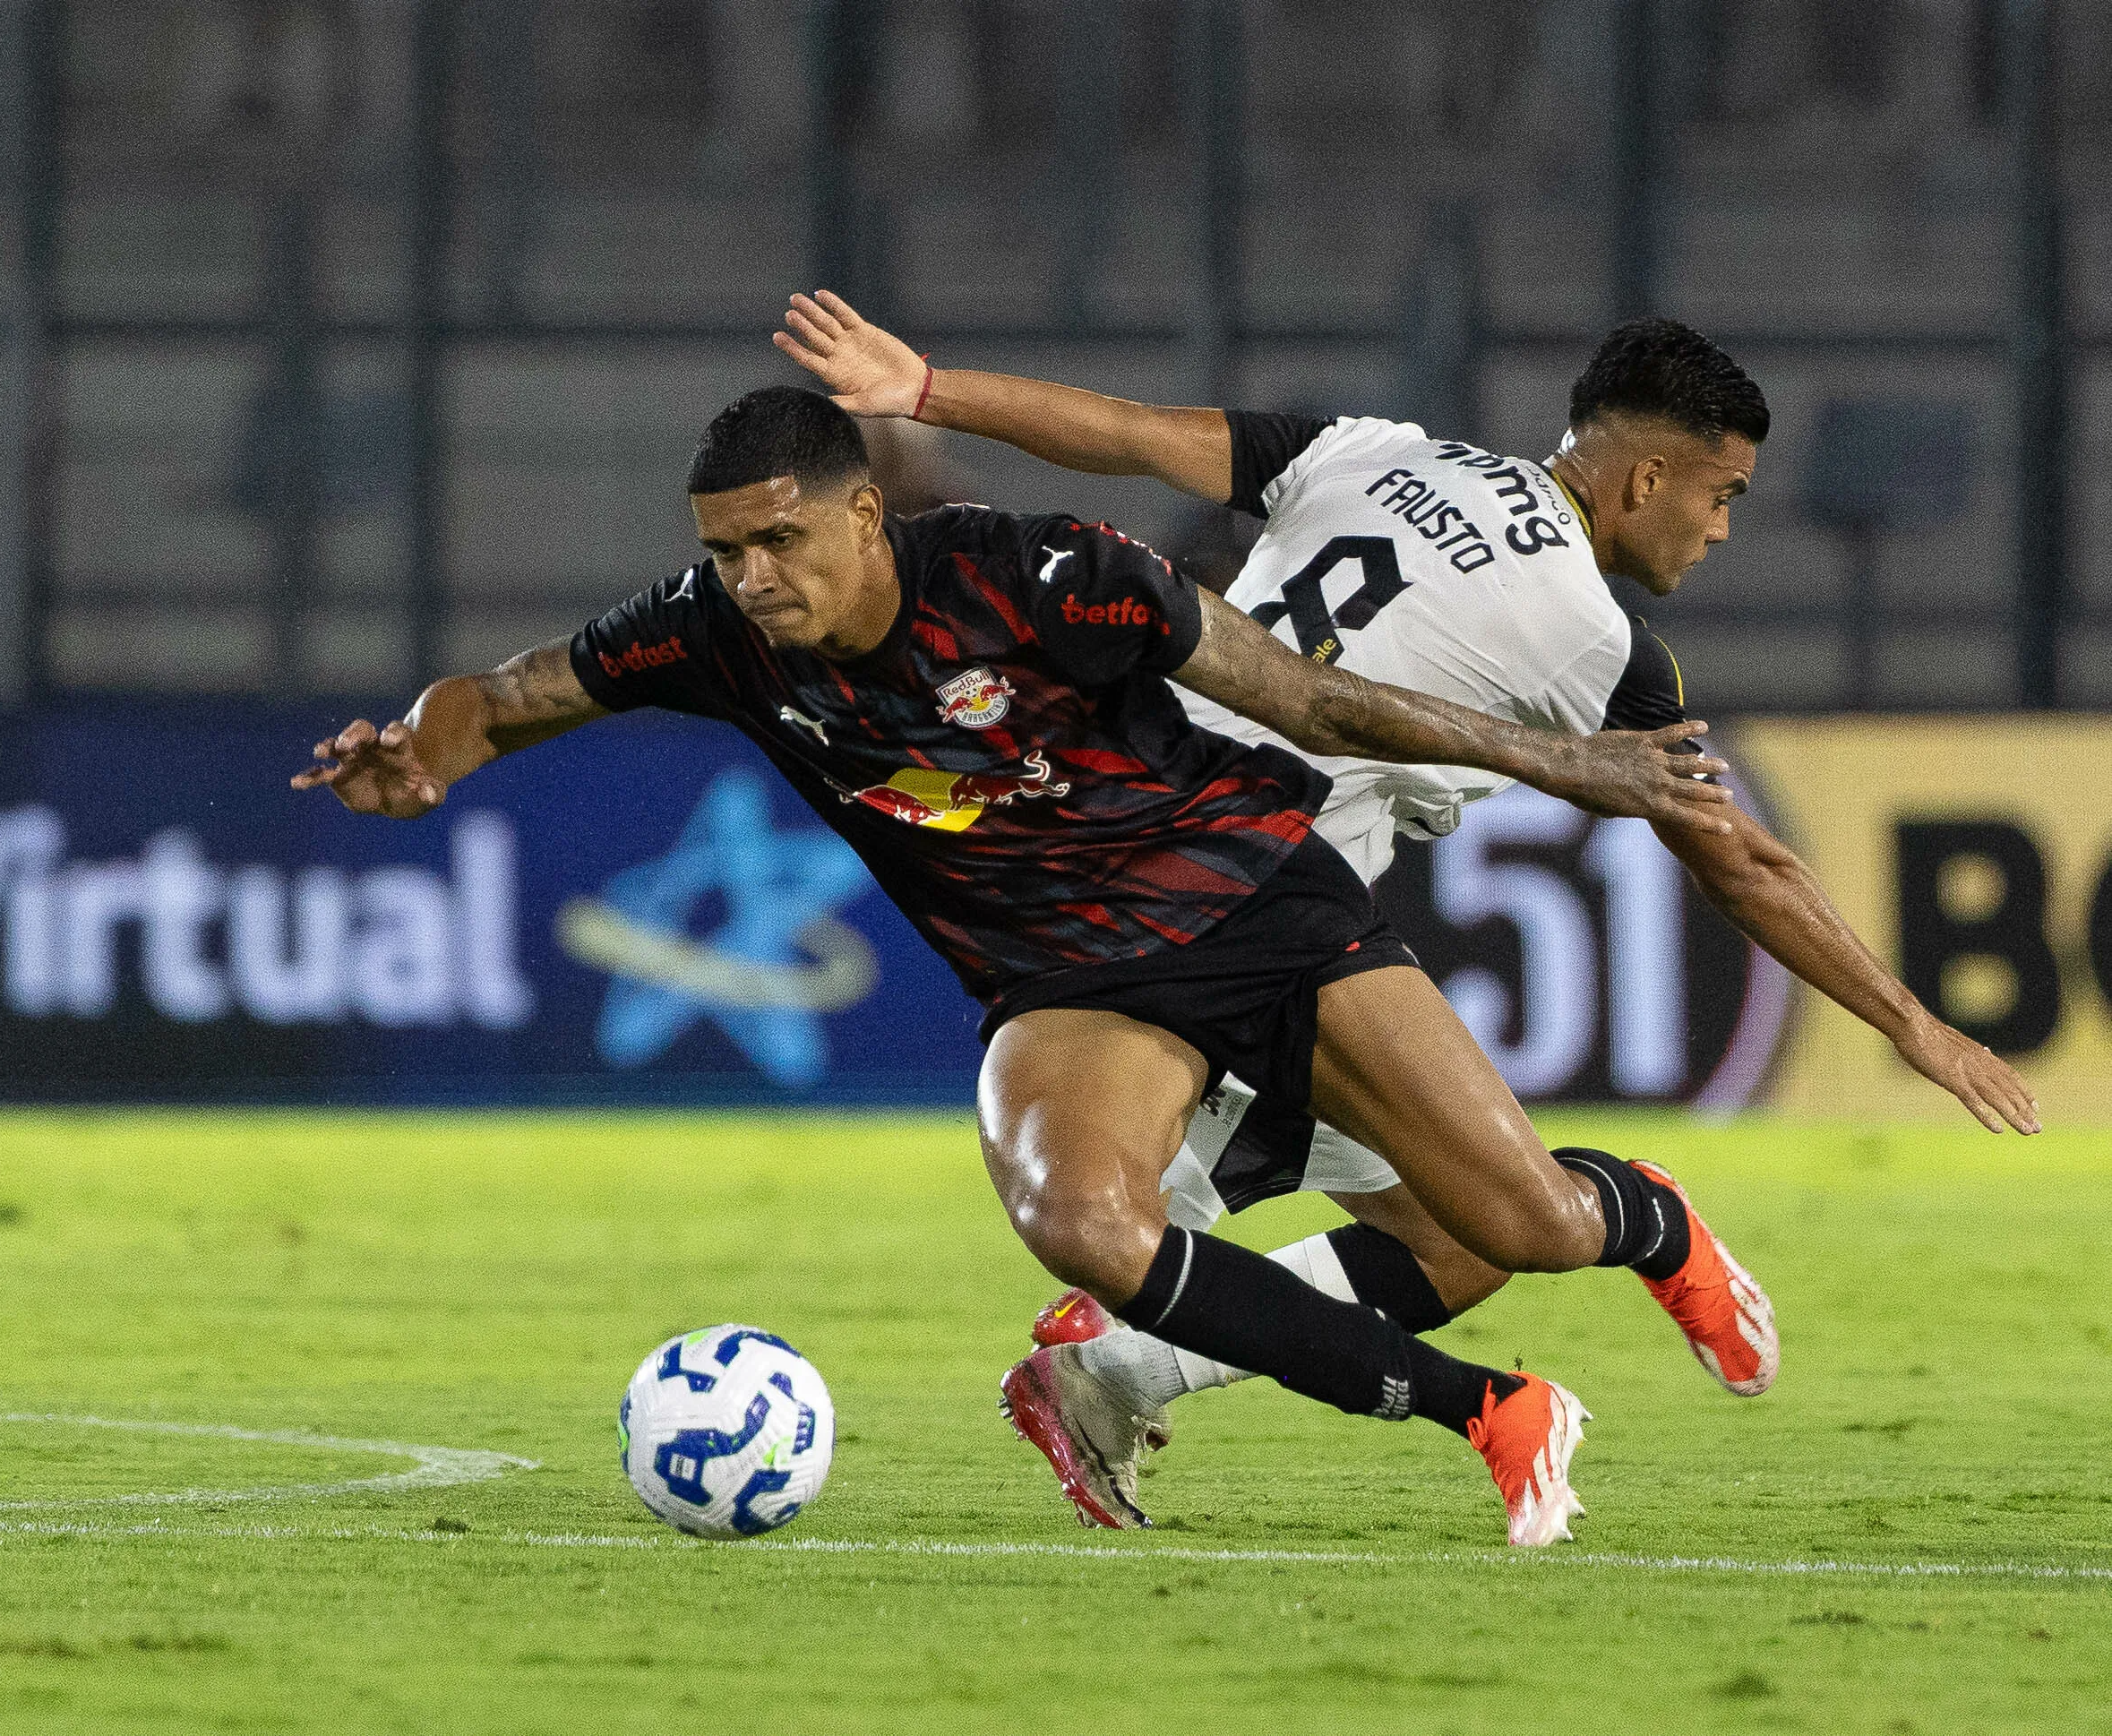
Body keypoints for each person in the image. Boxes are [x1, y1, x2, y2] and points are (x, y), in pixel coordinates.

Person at [294, 384, 1749, 1547]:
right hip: (1072, 981)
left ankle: (1639, 1213)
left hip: (1255, 906)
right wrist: (422, 749)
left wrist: (1562, 759)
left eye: (776, 543)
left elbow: (1311, 694)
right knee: (1078, 1219)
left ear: (863, 516)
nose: (747, 578)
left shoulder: (1041, 575)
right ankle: (1492, 1412)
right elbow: (499, 695)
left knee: (1522, 1225)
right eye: (725, 549)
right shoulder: (713, 634)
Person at [773, 289, 2040, 1517]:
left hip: (1185, 885)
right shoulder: (1596, 642)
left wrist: (931, 390)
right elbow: (1744, 862)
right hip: (1228, 916)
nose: (1719, 529)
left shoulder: (1371, 453)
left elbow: (1132, 430)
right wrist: (1909, 1023)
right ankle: (1140, 1368)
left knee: (1445, 1239)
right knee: (1156, 1248)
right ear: (1646, 479)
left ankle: (1124, 1372)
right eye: (1722, 496)